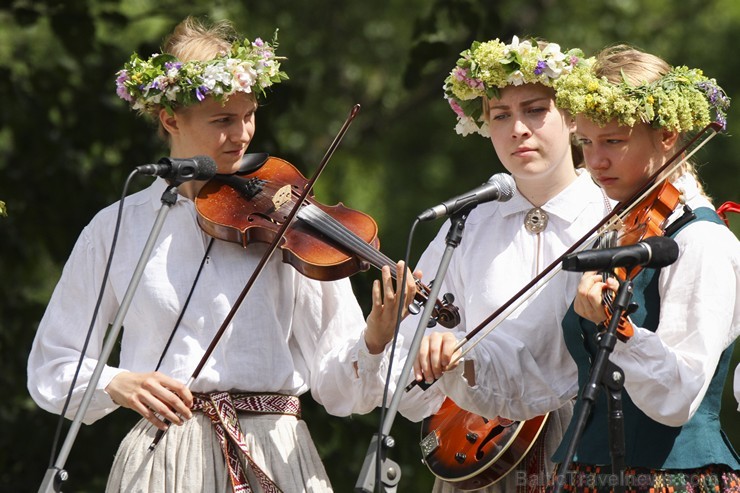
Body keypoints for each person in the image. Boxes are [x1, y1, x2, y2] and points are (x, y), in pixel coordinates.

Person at [27, 16, 414, 493]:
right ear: (170, 119)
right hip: (165, 457)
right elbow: (53, 363)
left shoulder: (287, 218)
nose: (243, 134)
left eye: (249, 114)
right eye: (223, 120)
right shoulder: (116, 228)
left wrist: (373, 340)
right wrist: (115, 382)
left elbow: (338, 388)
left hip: (273, 447)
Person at [382, 36, 616, 492]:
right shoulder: (469, 222)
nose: (518, 130)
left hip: (588, 442)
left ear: (571, 115)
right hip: (483, 445)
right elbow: (419, 329)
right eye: (500, 116)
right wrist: (439, 348)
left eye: (534, 110)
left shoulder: (614, 214)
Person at [553, 45, 740, 490]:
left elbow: (677, 394)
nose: (594, 162)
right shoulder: (615, 234)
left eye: (613, 141)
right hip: (584, 475)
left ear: (669, 135)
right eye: (585, 142)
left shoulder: (702, 241)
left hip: (669, 478)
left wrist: (620, 330)